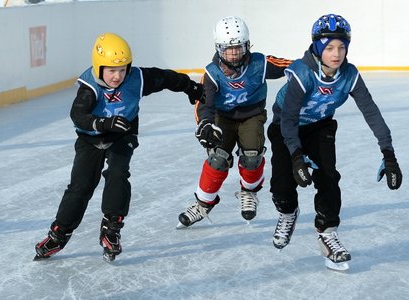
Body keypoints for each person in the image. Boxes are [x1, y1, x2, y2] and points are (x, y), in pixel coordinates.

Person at [34, 32, 204, 261]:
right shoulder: (90, 87)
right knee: (80, 187)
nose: (117, 76)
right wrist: (103, 123)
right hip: (90, 138)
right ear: (99, 67)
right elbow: (78, 115)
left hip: (122, 136)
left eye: (123, 70)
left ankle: (111, 229)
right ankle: (59, 234)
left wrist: (189, 87)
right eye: (112, 70)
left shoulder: (137, 78)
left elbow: (165, 78)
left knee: (118, 173)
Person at [268, 14, 402, 270]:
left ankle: (327, 233)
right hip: (286, 127)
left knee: (329, 178)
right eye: (330, 47)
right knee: (283, 185)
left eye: (342, 46)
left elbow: (371, 111)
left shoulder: (349, 75)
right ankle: (287, 212)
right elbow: (288, 118)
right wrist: (296, 155)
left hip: (320, 128)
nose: (336, 53)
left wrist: (389, 154)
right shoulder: (302, 73)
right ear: (318, 46)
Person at [177, 16, 292, 228]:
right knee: (217, 159)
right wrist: (205, 124)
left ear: (247, 45)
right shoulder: (212, 73)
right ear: (219, 49)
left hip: (252, 115)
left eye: (238, 47)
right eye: (227, 49)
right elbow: (204, 103)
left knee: (252, 157)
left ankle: (249, 192)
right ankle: (203, 204)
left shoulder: (259, 63)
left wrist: (310, 68)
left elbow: (290, 67)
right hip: (224, 117)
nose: (233, 53)